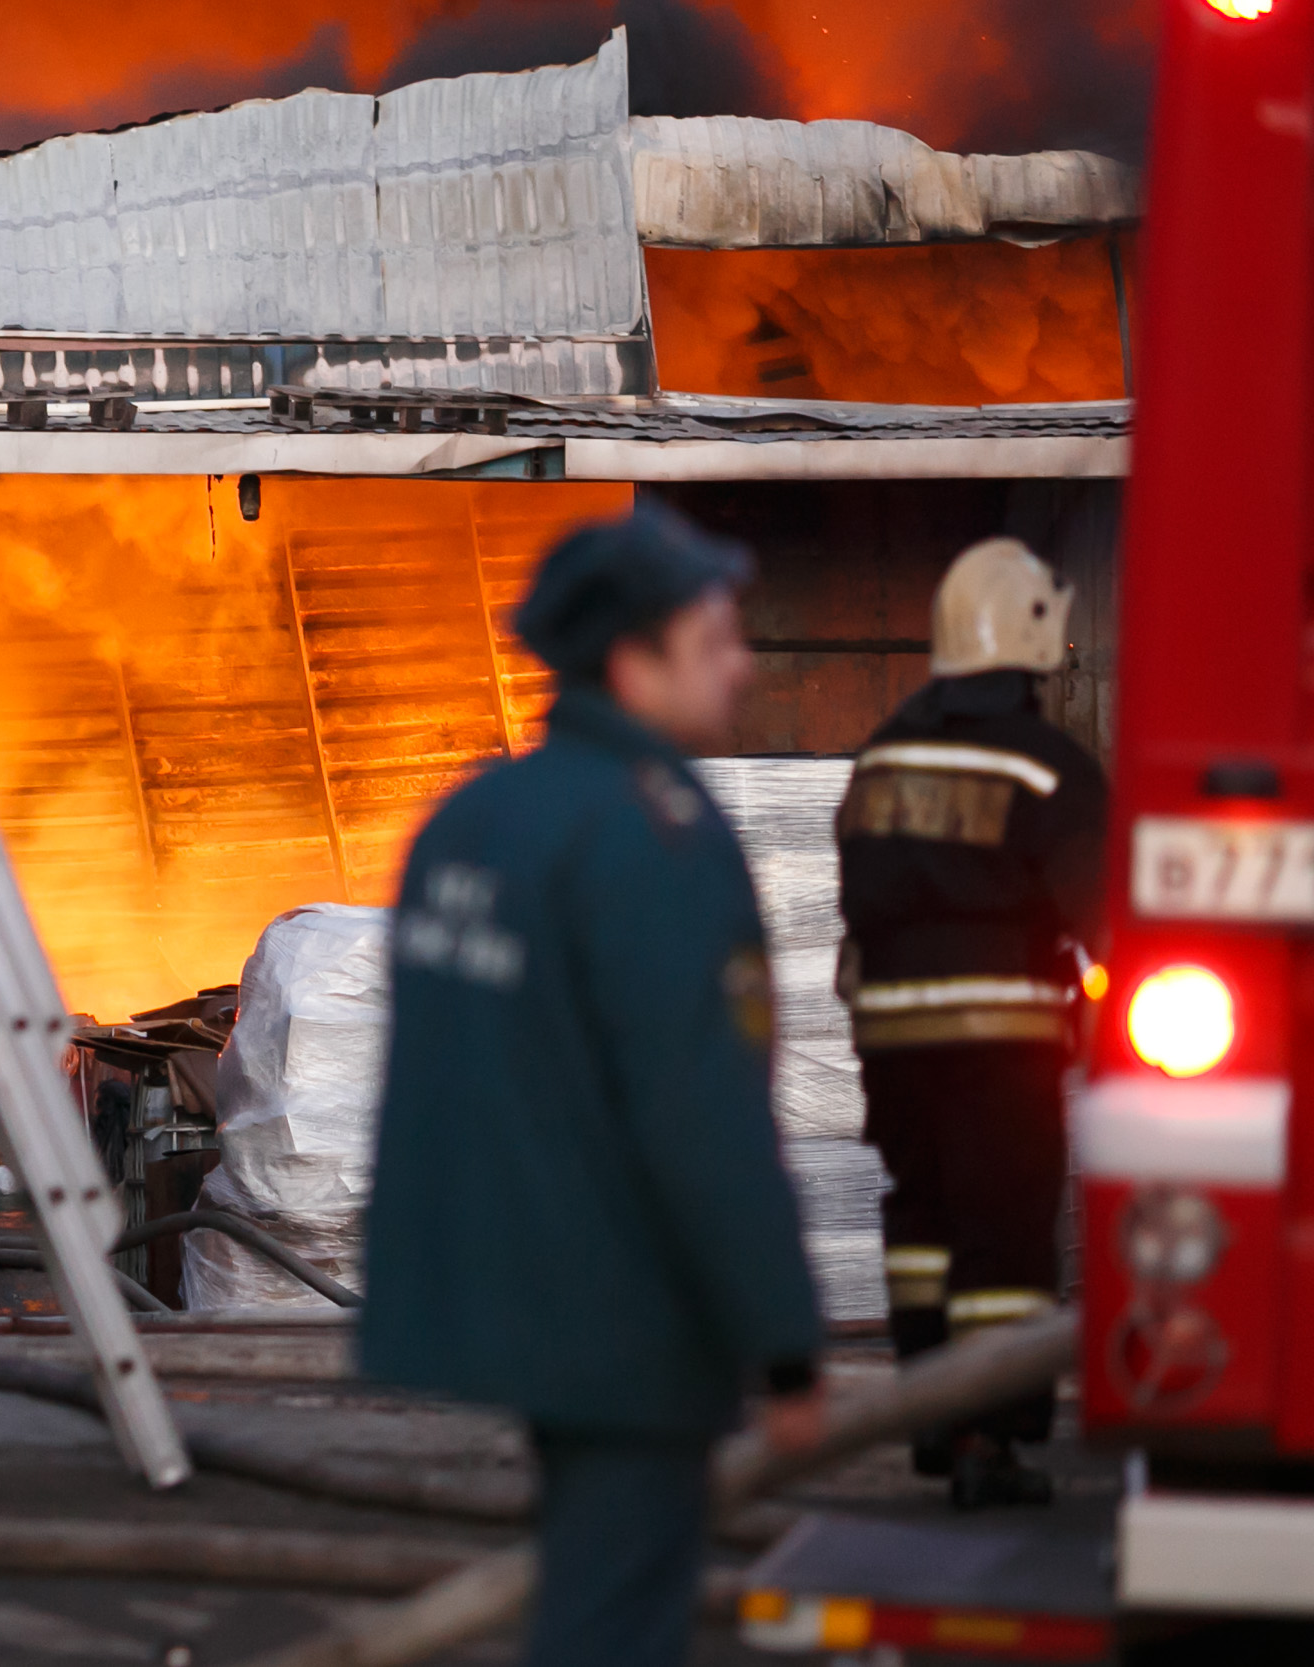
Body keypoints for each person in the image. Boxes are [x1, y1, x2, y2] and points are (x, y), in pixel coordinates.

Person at [361, 503, 826, 1667]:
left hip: (517, 1299)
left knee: (591, 1585)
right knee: (615, 1619)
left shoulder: (469, 821)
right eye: (716, 639)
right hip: (631, 1315)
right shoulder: (652, 833)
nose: (744, 664)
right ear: (634, 658)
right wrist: (785, 1340)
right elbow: (700, 1109)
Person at [835, 538, 1106, 1509]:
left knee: (923, 1225)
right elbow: (1102, 916)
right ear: (1033, 630)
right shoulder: (1047, 767)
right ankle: (991, 1435)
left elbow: (857, 895)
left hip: (891, 1045)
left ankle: (935, 1422)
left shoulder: (886, 750)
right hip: (1001, 1046)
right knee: (1001, 1239)